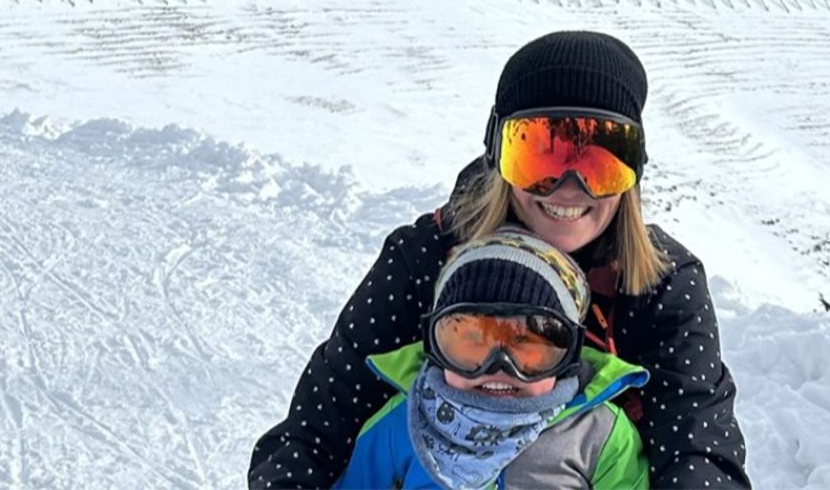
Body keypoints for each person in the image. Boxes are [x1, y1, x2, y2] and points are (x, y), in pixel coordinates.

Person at [249, 30, 750, 488]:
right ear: (497, 154)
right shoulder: (425, 260)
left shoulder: (661, 285)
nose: (568, 189)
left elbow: (697, 451)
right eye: (540, 156)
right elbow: (316, 430)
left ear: (633, 171)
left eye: (599, 163)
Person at [335, 228, 648, 489]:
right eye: (472, 342)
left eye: (527, 345)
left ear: (568, 354)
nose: (499, 367)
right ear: (435, 346)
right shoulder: (403, 422)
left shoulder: (600, 435)